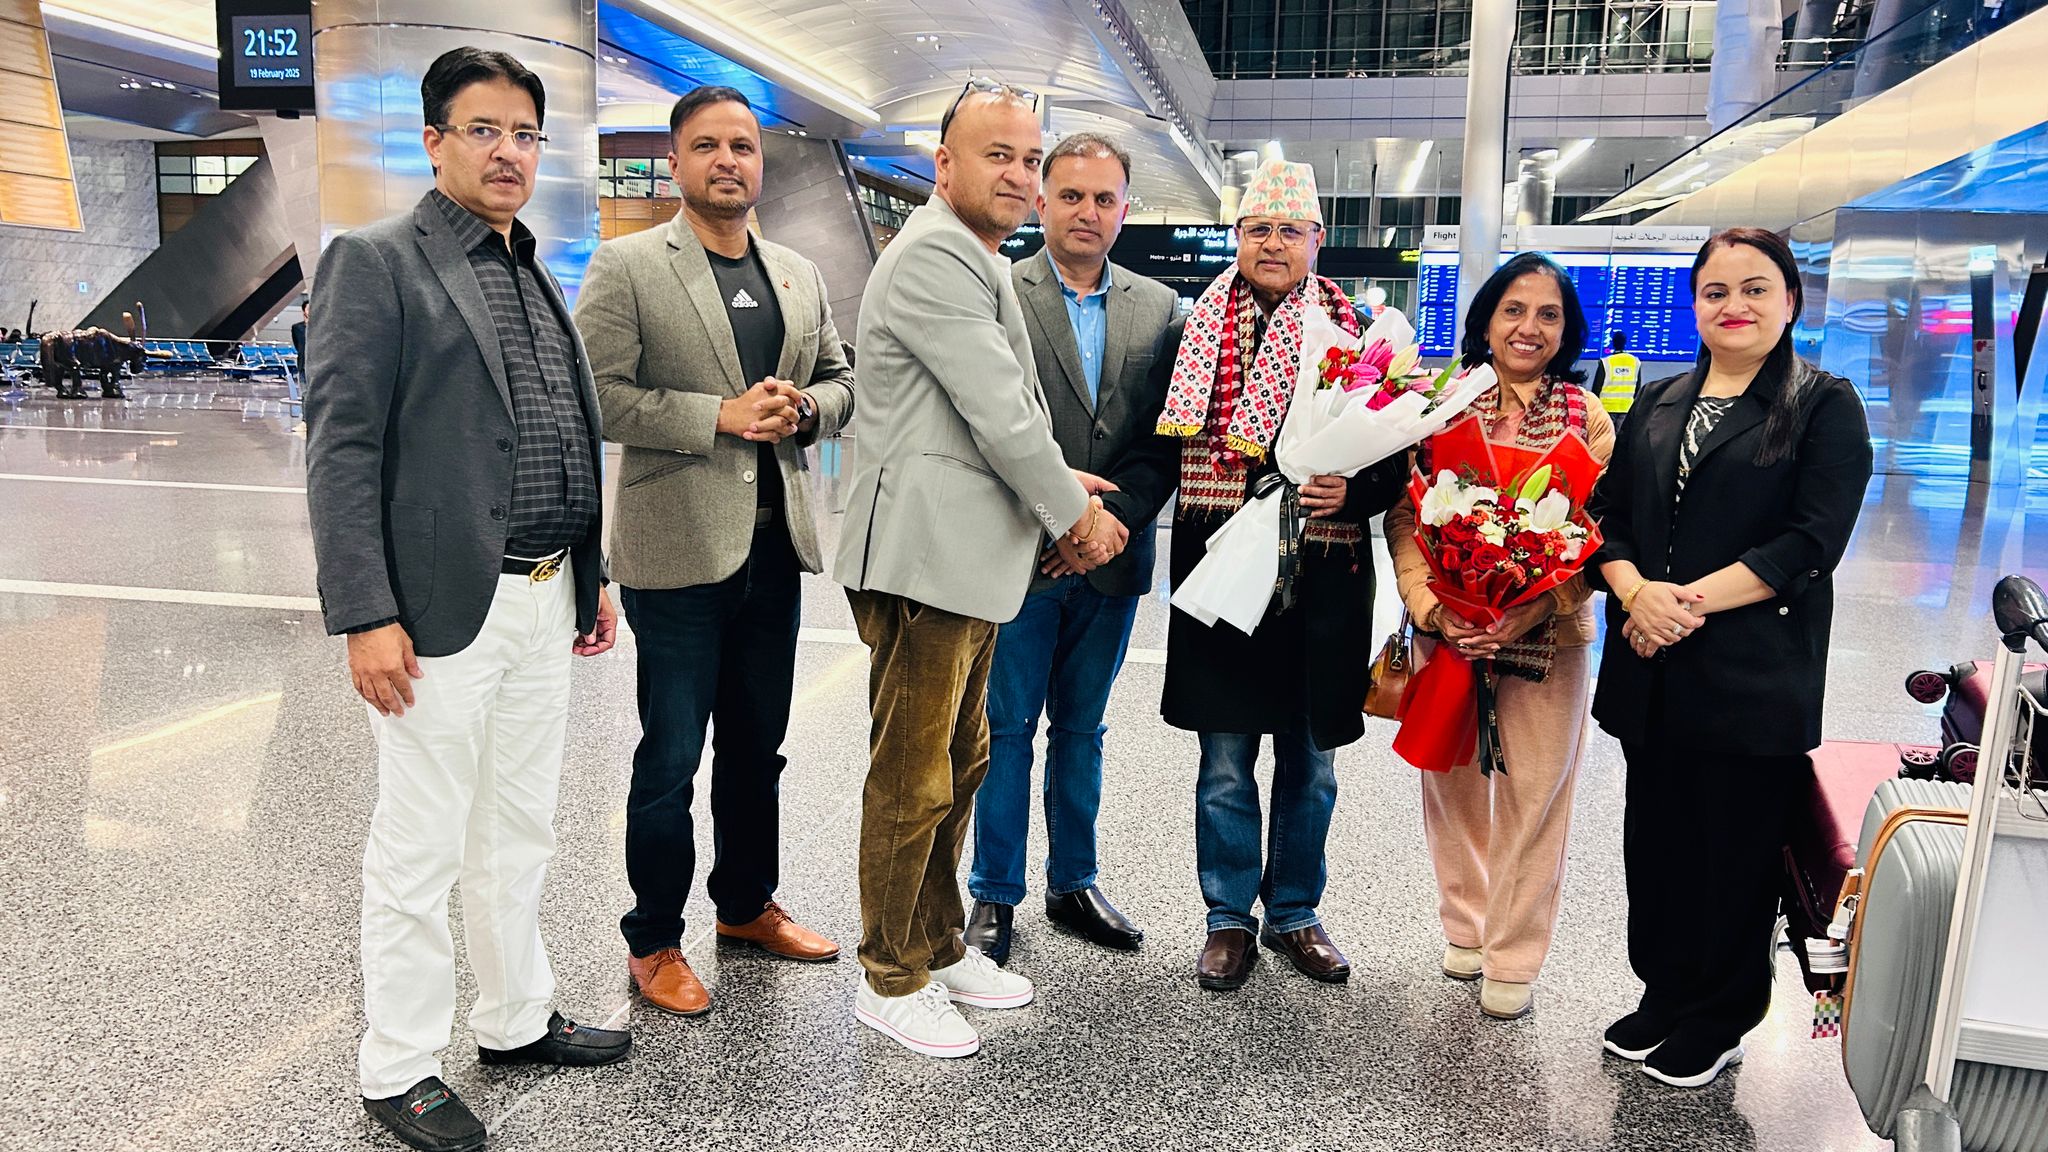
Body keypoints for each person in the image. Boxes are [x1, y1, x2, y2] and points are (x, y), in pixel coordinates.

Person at [305, 47, 629, 1152]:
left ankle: (514, 1016)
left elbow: (560, 433)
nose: (508, 153)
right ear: (433, 140)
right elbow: (342, 448)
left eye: (525, 134)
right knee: (421, 845)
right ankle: (397, 1065)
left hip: (544, 594)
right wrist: (364, 612)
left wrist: (591, 575)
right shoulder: (377, 260)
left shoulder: (533, 268)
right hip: (440, 611)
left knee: (518, 828)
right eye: (484, 130)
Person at [833, 76, 1128, 1059]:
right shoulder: (934, 256)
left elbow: (988, 411)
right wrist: (1075, 516)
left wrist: (1059, 484)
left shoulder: (973, 256)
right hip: (923, 560)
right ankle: (888, 974)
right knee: (911, 777)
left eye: (1029, 159)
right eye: (996, 154)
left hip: (961, 560)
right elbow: (998, 411)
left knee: (959, 764)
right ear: (943, 163)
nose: (1018, 175)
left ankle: (936, 943)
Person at [574, 85, 855, 1017]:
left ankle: (745, 906)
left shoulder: (797, 273)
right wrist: (719, 417)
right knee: (669, 759)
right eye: (706, 146)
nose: (727, 160)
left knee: (756, 749)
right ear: (675, 162)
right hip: (677, 553)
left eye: (742, 145)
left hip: (775, 551)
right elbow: (600, 396)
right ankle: (654, 938)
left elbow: (843, 381)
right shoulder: (626, 266)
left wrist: (807, 409)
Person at [1587, 226, 1872, 1089]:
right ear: (1695, 305)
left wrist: (1677, 605)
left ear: (1791, 302)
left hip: (1751, 671)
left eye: (1755, 289)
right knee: (1657, 842)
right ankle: (1666, 990)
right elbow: (1607, 520)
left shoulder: (1822, 404)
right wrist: (1635, 591)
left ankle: (1721, 1013)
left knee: (1734, 851)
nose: (1734, 306)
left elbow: (1811, 541)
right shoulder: (1660, 398)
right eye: (1716, 291)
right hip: (1651, 667)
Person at [1155, 159, 1407, 992]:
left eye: (1289, 230)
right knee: (1225, 760)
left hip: (1322, 574)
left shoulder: (1361, 334)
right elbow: (1158, 443)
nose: (1273, 243)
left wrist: (1353, 490)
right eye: (1258, 228)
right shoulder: (1195, 331)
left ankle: (1295, 911)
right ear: (1238, 236)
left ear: (1317, 239)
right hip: (1221, 565)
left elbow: (1396, 457)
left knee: (1312, 759)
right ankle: (1228, 918)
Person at [963, 132, 1180, 966]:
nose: (1087, 212)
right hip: (1020, 553)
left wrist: (1103, 525)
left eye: (1104, 199)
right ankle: (994, 893)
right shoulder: (998, 291)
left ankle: (1073, 883)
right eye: (1071, 195)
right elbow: (983, 423)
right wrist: (1060, 522)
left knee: (1082, 730)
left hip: (1113, 556)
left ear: (1125, 210)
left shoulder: (1159, 308)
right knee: (1007, 727)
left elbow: (1166, 437)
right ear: (1042, 201)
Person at [1384, 253, 1614, 1022]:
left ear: (1567, 331)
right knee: (1450, 783)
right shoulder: (1441, 403)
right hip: (1448, 628)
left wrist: (1531, 608)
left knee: (1536, 794)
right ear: (1485, 318)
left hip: (1550, 637)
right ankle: (1466, 922)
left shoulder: (1587, 417)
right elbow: (1405, 514)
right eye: (1514, 309)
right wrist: (1432, 607)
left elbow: (1598, 533)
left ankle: (1513, 953)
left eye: (1548, 314)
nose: (1529, 327)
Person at [1592, 329, 1640, 420]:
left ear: (1613, 343)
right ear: (1625, 343)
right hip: (1627, 408)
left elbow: (1596, 387)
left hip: (1606, 408)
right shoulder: (1635, 362)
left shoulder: (1606, 362)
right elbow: (1638, 389)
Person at [291, 299, 308, 367]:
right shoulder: (297, 328)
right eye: (308, 309)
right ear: (304, 311)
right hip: (302, 362)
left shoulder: (318, 327)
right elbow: (297, 343)